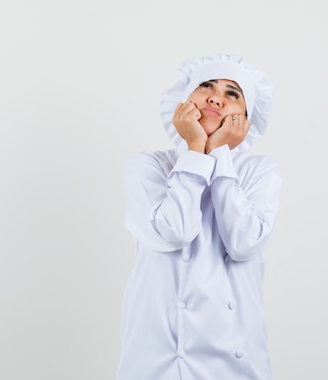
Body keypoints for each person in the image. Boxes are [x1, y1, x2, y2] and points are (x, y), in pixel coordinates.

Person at [116, 54, 282, 380]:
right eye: (205, 85)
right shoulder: (148, 167)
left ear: (246, 119)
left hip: (236, 361)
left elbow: (244, 243)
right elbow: (175, 231)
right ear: (183, 103)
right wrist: (196, 148)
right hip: (157, 359)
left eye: (232, 93)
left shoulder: (259, 172)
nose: (214, 97)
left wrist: (219, 153)